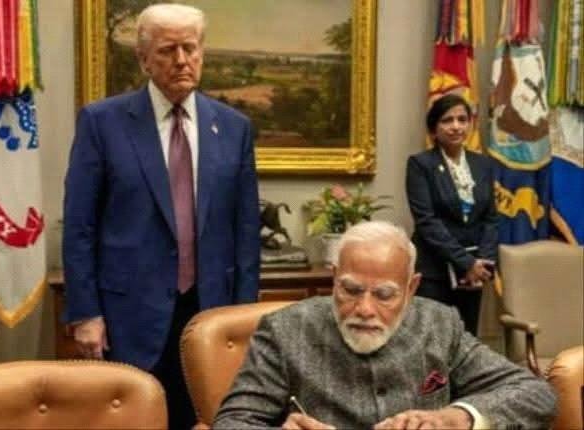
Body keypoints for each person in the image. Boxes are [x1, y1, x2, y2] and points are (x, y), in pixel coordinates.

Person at [62, 3, 260, 429]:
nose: (182, 60)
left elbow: (245, 232)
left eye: (191, 48)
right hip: (128, 314)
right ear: (144, 59)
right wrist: (86, 314)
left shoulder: (233, 127)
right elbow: (80, 226)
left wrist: (243, 319)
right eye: (169, 50)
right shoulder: (102, 122)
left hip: (209, 312)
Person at [213, 221, 556, 430]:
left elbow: (536, 394)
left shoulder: (440, 325)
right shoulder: (284, 330)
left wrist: (458, 417)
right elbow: (232, 421)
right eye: (350, 290)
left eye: (384, 295)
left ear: (411, 288)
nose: (364, 309)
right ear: (334, 279)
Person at [406, 94, 499, 336]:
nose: (456, 126)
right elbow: (426, 222)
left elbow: (490, 218)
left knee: (466, 340)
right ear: (434, 129)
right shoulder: (420, 164)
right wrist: (466, 263)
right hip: (434, 273)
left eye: (462, 119)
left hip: (472, 276)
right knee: (432, 341)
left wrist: (483, 263)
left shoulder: (483, 165)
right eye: (447, 120)